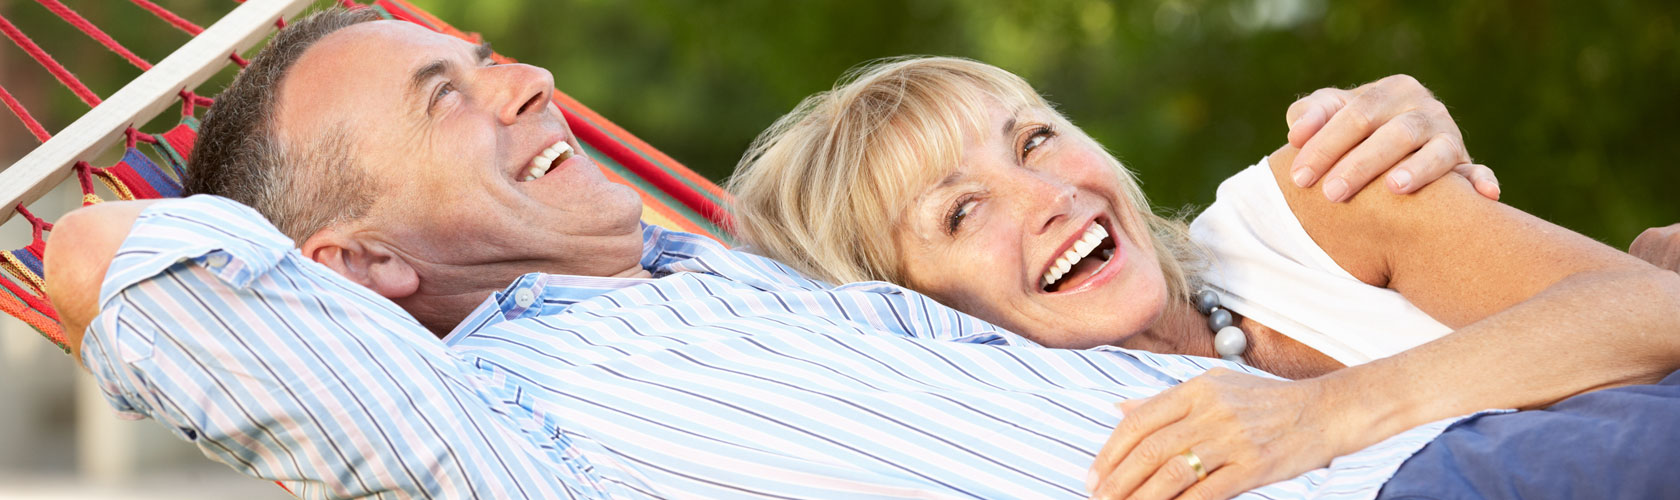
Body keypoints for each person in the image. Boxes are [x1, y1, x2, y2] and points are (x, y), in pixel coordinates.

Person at [39, 8, 1669, 500]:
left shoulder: (732, 283)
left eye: (487, 55)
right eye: (443, 98)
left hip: (1437, 461)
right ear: (357, 274)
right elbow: (114, 262)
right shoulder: (497, 429)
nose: (527, 79)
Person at [724, 56, 1680, 499]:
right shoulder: (1048, 459)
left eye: (1036, 138)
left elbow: (1660, 309)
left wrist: (1324, 415)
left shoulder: (1305, 203)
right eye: (962, 212)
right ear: (905, 307)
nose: (1049, 196)